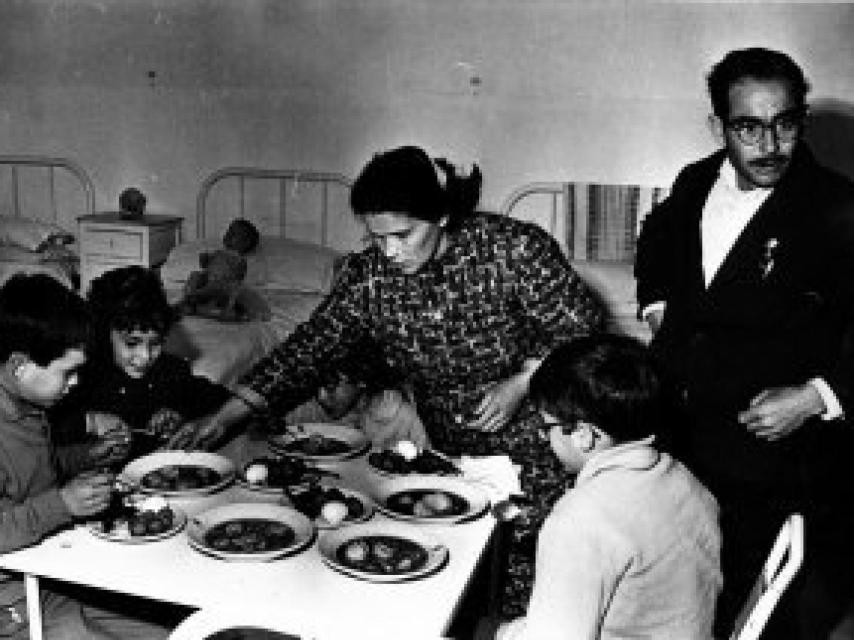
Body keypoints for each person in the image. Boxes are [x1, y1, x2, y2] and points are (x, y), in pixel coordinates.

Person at [171, 144, 607, 616]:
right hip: (450, 445)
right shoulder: (370, 276)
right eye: (378, 238)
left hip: (537, 442)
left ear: (440, 215)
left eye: (403, 234)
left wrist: (523, 381)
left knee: (532, 585)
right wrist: (226, 415)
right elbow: (309, 349)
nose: (391, 252)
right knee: (450, 580)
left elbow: (585, 331)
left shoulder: (513, 249)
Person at [634, 47, 854, 639]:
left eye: (785, 123)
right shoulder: (693, 179)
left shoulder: (840, 207)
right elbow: (656, 241)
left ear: (802, 120)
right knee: (685, 592)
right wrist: (658, 307)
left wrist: (818, 396)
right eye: (748, 127)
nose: (771, 144)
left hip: (778, 459)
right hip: (684, 437)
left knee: (766, 613)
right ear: (718, 126)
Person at [491, 334, 721, 640]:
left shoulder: (579, 521)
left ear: (585, 435)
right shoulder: (684, 479)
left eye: (548, 427)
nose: (545, 439)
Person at [0, 273, 170, 639]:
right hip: (11, 602)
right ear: (20, 366)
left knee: (172, 627)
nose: (76, 383)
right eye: (69, 372)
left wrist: (88, 455)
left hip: (52, 573)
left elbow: (33, 471)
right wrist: (62, 504)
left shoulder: (27, 404)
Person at [50, 265, 234, 462]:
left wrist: (180, 414)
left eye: (155, 343)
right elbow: (41, 431)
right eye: (131, 343)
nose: (145, 356)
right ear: (104, 334)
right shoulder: (79, 377)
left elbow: (228, 401)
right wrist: (89, 422)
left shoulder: (171, 370)